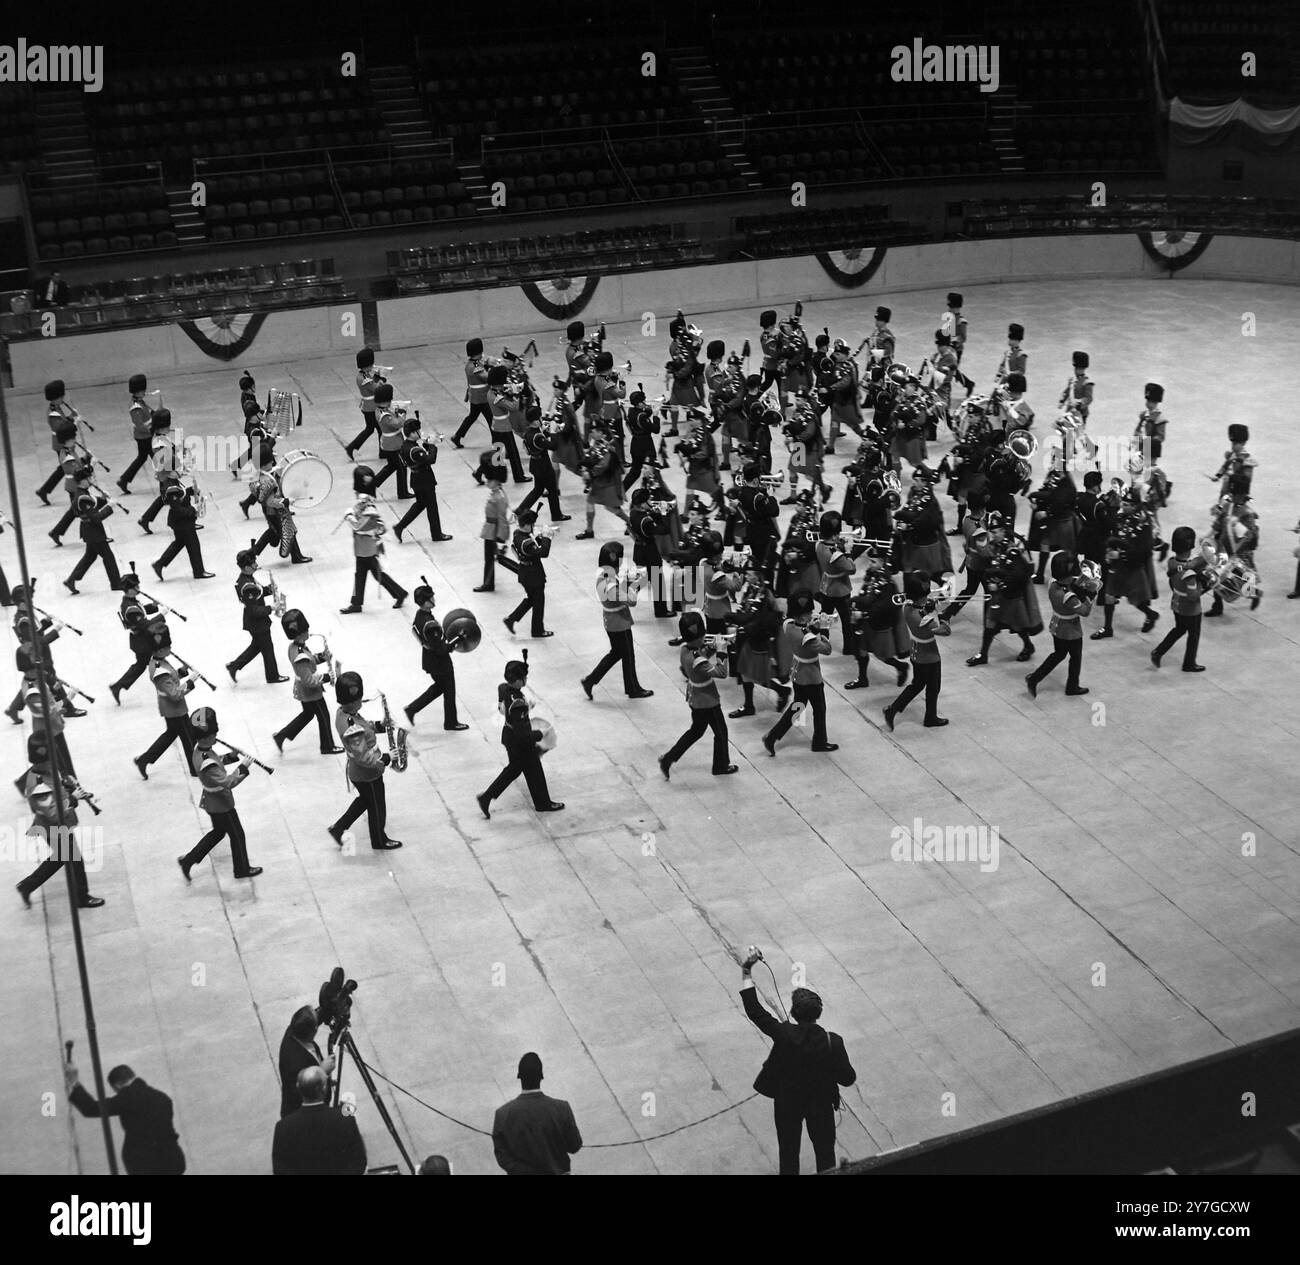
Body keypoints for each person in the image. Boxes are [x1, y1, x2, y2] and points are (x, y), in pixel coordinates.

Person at [739, 950, 856, 1176]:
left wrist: (746, 970)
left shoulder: (784, 1034)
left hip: (787, 1104)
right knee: (825, 1154)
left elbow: (755, 1012)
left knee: (789, 1153)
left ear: (793, 1012)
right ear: (818, 1013)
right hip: (821, 1105)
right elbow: (848, 1078)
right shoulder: (833, 1042)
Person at [16, 733, 104, 910]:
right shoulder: (37, 784)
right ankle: (82, 897)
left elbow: (56, 788)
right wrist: (72, 798)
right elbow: (53, 813)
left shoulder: (46, 770)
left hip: (56, 827)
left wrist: (66, 784)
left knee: (60, 859)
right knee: (74, 861)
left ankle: (27, 886)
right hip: (54, 829)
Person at [177, 706, 261, 882]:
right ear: (208, 736)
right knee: (237, 835)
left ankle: (189, 860)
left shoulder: (201, 750)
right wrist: (244, 766)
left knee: (218, 833)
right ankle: (241, 869)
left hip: (212, 802)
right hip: (221, 804)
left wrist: (232, 756)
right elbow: (228, 782)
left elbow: (217, 763)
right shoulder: (206, 759)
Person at [476, 658, 564, 818]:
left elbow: (503, 708)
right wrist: (541, 734)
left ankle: (486, 797)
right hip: (519, 742)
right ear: (517, 680)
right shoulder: (517, 702)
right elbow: (523, 734)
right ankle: (543, 803)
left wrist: (525, 708)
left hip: (509, 737)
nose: (526, 679)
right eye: (524, 677)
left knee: (514, 769)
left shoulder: (504, 688)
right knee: (534, 769)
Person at [66, 1063, 185, 1175]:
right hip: (173, 1160)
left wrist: (74, 1082)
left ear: (117, 1085)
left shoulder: (127, 1098)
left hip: (147, 1166)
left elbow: (91, 1108)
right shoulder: (162, 1097)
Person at [658, 612, 737, 779]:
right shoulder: (695, 658)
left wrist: (713, 646)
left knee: (696, 731)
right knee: (721, 732)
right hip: (706, 700)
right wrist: (722, 649)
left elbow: (701, 654)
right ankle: (720, 765)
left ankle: (668, 758)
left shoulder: (686, 649)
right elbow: (721, 673)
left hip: (696, 697)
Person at [329, 670, 401, 850]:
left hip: (360, 772)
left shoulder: (344, 713)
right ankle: (379, 840)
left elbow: (364, 728)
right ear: (353, 701)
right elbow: (363, 757)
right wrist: (385, 759)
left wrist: (379, 725)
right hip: (367, 772)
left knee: (365, 801)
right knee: (377, 806)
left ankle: (338, 828)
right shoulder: (350, 725)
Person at [762, 591, 837, 756]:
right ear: (802, 617)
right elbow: (827, 649)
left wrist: (813, 626)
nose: (812, 615)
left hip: (797, 672)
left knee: (798, 705)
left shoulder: (789, 624)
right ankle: (819, 742)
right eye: (809, 613)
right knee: (819, 709)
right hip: (810, 676)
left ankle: (773, 736)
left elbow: (804, 629)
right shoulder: (806, 637)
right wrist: (824, 628)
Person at [580, 542, 653, 700]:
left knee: (618, 654)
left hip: (615, 620)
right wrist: (636, 585)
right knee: (626, 656)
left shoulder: (605, 574)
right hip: (618, 622)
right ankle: (631, 688)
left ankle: (593, 680)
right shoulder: (610, 584)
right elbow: (630, 601)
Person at [491, 1053, 582, 1176]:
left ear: (519, 1077)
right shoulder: (562, 1109)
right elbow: (574, 1146)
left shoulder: (502, 1115)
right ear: (541, 1077)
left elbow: (502, 1156)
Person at [882, 572, 951, 730]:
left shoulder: (907, 607)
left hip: (915, 650)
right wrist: (942, 613)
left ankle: (893, 710)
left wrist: (927, 608)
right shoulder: (924, 620)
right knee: (933, 687)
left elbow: (919, 609)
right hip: (929, 655)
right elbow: (945, 631)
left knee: (918, 684)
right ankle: (930, 717)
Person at [272, 1067, 367, 1176]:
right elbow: (359, 1162)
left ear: (299, 1088)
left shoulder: (283, 1127)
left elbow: (280, 1169)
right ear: (324, 1088)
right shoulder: (345, 1120)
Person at [1025, 553, 1096, 698]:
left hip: (1057, 625)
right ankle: (1072, 686)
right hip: (1070, 630)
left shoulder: (1053, 583)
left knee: (1058, 654)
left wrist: (1082, 582)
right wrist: (1091, 596)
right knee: (1076, 658)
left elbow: (1072, 583)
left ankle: (1035, 678)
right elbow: (1085, 611)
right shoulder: (1068, 596)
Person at [274, 609, 343, 754]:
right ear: (300, 633)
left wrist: (322, 657)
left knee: (307, 714)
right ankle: (327, 746)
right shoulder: (300, 655)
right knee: (324, 717)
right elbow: (309, 681)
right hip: (311, 693)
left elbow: (310, 662)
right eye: (306, 630)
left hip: (303, 691)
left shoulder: (295, 647)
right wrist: (327, 677)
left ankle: (281, 736)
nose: (308, 631)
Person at [339, 469, 408, 614]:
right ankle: (357, 603)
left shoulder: (369, 510)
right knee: (362, 575)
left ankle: (399, 593)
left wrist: (349, 516)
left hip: (367, 548)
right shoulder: (362, 506)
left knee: (376, 575)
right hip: (362, 547)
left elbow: (359, 527)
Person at [133, 625, 197, 780]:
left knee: (170, 735)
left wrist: (182, 671)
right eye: (168, 647)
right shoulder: (159, 671)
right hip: (174, 709)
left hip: (171, 708)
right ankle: (195, 768)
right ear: (160, 650)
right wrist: (190, 683)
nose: (170, 648)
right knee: (189, 739)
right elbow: (174, 694)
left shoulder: (160, 662)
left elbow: (172, 679)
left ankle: (144, 759)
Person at [404, 585, 469, 731]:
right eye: (431, 598)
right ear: (425, 602)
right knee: (449, 692)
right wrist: (458, 639)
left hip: (429, 660)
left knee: (439, 688)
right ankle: (451, 723)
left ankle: (411, 709)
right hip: (440, 663)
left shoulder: (420, 616)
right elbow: (441, 649)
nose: (434, 599)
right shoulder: (430, 624)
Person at [1150, 526, 1209, 672]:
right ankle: (1189, 663)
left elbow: (1191, 563)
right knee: (1193, 636)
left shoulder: (1172, 562)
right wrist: (1208, 586)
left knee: (1179, 629)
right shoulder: (1190, 574)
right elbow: (1193, 596)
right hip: (1191, 609)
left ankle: (1158, 652)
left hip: (1176, 603)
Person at [226, 555, 286, 684]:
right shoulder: (247, 585)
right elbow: (253, 610)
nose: (256, 565)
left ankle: (234, 666)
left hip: (256, 622)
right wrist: (271, 608)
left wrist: (268, 590)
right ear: (246, 567)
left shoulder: (247, 578)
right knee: (267, 649)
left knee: (257, 646)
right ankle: (272, 676)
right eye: (253, 564)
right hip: (257, 623)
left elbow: (257, 592)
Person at [394, 424, 452, 543]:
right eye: (418, 431)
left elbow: (420, 457)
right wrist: (432, 445)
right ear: (412, 433)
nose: (420, 432)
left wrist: (426, 445)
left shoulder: (405, 445)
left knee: (420, 504)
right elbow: (431, 460)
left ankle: (400, 526)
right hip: (424, 479)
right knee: (432, 507)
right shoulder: (414, 450)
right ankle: (436, 534)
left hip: (415, 478)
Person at [278, 1005, 336, 1118]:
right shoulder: (294, 1062)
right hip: (305, 1118)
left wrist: (331, 1003)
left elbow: (312, 1017)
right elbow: (304, 1092)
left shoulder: (294, 1030)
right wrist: (322, 1072)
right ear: (314, 1030)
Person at [504, 511, 553, 638]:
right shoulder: (526, 543)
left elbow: (533, 545)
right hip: (533, 576)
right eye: (532, 524)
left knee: (532, 599)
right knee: (538, 602)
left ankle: (511, 619)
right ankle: (537, 630)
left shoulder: (518, 533)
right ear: (526, 525)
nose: (533, 526)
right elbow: (543, 553)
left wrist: (539, 537)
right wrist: (547, 537)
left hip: (526, 573)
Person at [151, 483, 214, 582]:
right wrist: (193, 508)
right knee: (194, 547)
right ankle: (199, 572)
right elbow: (178, 511)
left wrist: (191, 490)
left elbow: (183, 493)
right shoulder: (173, 493)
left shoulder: (176, 486)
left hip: (183, 524)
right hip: (183, 525)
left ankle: (160, 564)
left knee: (178, 544)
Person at [64, 489, 122, 595]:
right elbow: (96, 517)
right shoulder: (82, 497)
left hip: (90, 531)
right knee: (108, 556)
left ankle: (71, 579)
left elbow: (93, 506)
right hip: (93, 532)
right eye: (89, 478)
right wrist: (109, 506)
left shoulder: (82, 493)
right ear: (83, 480)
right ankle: (116, 583)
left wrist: (103, 499)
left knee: (90, 556)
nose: (91, 479)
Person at [473, 458, 512, 593]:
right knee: (489, 557)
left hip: (494, 530)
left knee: (490, 558)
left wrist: (501, 537)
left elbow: (502, 518)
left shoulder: (499, 497)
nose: (487, 482)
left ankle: (488, 583)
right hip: (490, 528)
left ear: (496, 481)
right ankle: (488, 582)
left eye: (490, 480)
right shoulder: (496, 493)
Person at [370, 383, 412, 498]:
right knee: (402, 467)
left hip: (389, 443)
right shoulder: (384, 415)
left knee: (391, 466)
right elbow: (398, 424)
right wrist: (402, 414)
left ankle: (372, 484)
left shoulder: (381, 410)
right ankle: (402, 492)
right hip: (393, 444)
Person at [117, 373, 155, 494]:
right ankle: (166, 480)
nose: (144, 392)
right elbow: (140, 425)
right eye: (142, 390)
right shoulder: (135, 406)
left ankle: (124, 479)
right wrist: (152, 429)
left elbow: (150, 412)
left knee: (142, 458)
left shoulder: (140, 402)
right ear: (137, 391)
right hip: (144, 437)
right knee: (154, 457)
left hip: (146, 436)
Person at [452, 337, 493, 447]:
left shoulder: (471, 363)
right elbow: (486, 377)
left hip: (475, 397)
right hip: (482, 398)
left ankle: (457, 436)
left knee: (472, 417)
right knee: (492, 420)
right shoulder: (476, 366)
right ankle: (497, 443)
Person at [343, 347, 381, 459]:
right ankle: (352, 447)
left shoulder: (363, 375)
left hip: (369, 406)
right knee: (373, 429)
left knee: (375, 429)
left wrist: (376, 377)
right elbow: (376, 388)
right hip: (371, 407)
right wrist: (381, 379)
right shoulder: (365, 378)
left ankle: (353, 447)